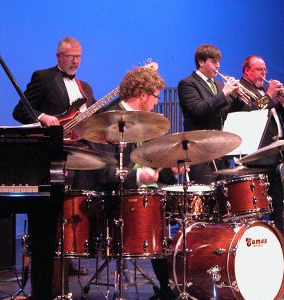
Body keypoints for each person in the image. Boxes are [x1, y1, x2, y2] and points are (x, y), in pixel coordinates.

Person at [73, 67, 177, 300]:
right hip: (111, 197)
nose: (156, 102)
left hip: (142, 193)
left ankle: (169, 287)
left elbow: (154, 164)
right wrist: (139, 177)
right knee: (155, 215)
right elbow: (105, 172)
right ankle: (167, 286)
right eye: (155, 97)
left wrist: (173, 166)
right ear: (142, 95)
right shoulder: (108, 121)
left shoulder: (146, 124)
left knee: (170, 212)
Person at [13, 36, 93, 299]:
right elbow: (19, 110)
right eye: (71, 56)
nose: (75, 61)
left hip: (77, 158)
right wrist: (42, 117)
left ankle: (68, 257)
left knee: (71, 212)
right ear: (58, 56)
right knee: (47, 219)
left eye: (79, 56)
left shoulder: (85, 88)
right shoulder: (43, 77)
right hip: (50, 158)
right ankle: (44, 284)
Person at [237, 55, 284, 234]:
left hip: (277, 154)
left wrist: (283, 101)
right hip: (258, 156)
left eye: (265, 70)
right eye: (260, 70)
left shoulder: (264, 92)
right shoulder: (241, 88)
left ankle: (281, 241)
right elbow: (250, 112)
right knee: (255, 205)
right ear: (247, 71)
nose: (264, 74)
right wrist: (269, 95)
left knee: (279, 203)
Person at [178, 44, 244, 184]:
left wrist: (238, 99)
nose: (218, 66)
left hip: (221, 151)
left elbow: (228, 115)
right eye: (214, 61)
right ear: (201, 62)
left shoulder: (219, 85)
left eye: (219, 61)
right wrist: (224, 93)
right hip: (201, 153)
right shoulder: (188, 84)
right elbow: (198, 109)